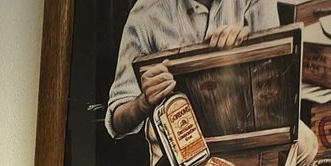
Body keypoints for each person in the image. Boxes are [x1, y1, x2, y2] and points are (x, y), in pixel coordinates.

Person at [105, 0, 270, 140]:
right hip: (177, 154)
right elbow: (117, 122)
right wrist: (143, 103)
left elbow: (275, 80)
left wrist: (250, 45)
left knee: (295, 148)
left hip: (247, 137)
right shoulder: (146, 12)